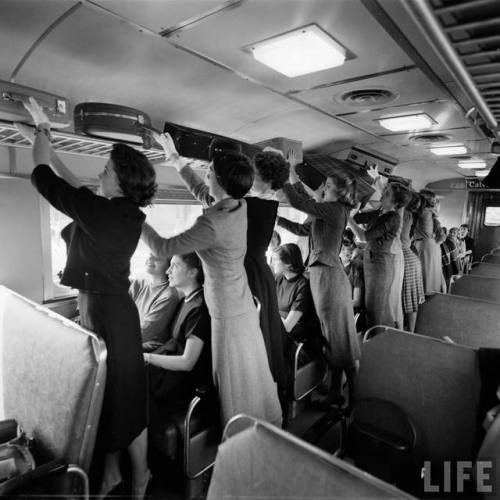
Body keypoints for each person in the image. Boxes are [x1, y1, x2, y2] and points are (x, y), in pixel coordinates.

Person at [19, 98, 156, 499]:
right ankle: (113, 476)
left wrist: (43, 133)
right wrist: (45, 143)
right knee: (113, 403)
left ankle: (141, 476)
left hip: (113, 318)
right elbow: (74, 188)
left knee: (126, 405)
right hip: (102, 311)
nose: (101, 172)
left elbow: (44, 178)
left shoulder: (108, 215)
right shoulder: (115, 211)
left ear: (122, 182)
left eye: (107, 169)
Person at [141, 132, 282, 427]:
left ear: (219, 179)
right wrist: (175, 158)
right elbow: (202, 193)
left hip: (228, 311)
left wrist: (132, 213)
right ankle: (262, 427)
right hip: (240, 302)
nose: (206, 173)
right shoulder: (237, 205)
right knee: (251, 375)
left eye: (210, 171)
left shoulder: (213, 222)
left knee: (233, 380)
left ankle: (239, 442)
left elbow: (163, 248)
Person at [277, 162, 359, 407]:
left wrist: (283, 178)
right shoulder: (326, 210)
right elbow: (302, 229)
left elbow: (300, 203)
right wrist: (276, 218)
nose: (323, 187)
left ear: (339, 192)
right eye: (325, 184)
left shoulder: (334, 209)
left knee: (339, 341)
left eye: (329, 185)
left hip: (329, 279)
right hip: (322, 277)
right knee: (332, 339)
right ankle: (336, 393)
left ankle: (354, 398)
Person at [144, 253, 212, 438]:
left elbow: (187, 362)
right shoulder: (185, 300)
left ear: (192, 272)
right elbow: (174, 341)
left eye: (174, 266)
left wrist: (148, 357)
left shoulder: (199, 308)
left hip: (185, 381)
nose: (167, 271)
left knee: (133, 383)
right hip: (173, 372)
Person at [349, 181, 412, 330]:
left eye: (388, 194)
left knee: (376, 309)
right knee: (373, 308)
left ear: (396, 203)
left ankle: (380, 340)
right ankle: (378, 337)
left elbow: (364, 236)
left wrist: (347, 218)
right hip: (372, 263)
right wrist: (352, 210)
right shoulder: (380, 212)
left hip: (380, 266)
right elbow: (359, 219)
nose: (383, 194)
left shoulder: (393, 217)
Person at [130, 253, 180, 350]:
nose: (150, 258)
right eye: (150, 254)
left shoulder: (168, 296)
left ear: (169, 265)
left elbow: (144, 332)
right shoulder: (137, 284)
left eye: (157, 256)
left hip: (147, 348)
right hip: (132, 339)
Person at [413, 190, 446, 295]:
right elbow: (442, 237)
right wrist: (434, 241)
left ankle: (424, 297)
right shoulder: (431, 214)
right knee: (430, 275)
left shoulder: (423, 212)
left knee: (425, 275)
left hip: (424, 245)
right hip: (431, 245)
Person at [400, 193, 425, 332]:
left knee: (407, 299)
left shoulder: (404, 213)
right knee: (411, 299)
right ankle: (411, 331)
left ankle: (408, 332)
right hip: (411, 258)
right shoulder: (411, 215)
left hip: (405, 258)